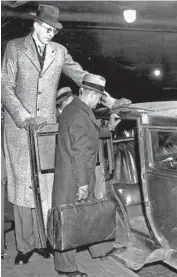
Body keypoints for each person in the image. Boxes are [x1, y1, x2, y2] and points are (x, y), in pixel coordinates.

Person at [1, 3, 131, 265]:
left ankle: (49, 240)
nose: (51, 34)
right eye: (47, 29)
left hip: (48, 129)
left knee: (47, 185)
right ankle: (25, 246)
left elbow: (83, 77)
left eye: (54, 31)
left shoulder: (59, 52)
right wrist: (24, 116)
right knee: (24, 188)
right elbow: (4, 85)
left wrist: (111, 101)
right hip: (19, 128)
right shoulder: (15, 48)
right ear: (36, 24)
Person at [52, 74, 122, 277]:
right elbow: (80, 152)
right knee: (68, 221)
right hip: (74, 177)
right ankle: (66, 268)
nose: (99, 101)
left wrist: (109, 128)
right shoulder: (78, 114)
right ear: (88, 93)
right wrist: (82, 183)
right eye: (98, 97)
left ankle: (100, 250)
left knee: (90, 214)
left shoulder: (78, 109)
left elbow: (90, 132)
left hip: (80, 173)